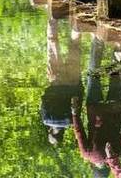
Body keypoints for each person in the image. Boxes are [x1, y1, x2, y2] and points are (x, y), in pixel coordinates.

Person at [72, 35, 121, 177]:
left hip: (115, 112)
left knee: (116, 78)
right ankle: (98, 40)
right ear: (94, 168)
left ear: (108, 168)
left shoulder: (119, 153)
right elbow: (79, 131)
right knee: (93, 76)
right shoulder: (88, 155)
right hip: (95, 111)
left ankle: (119, 44)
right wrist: (75, 113)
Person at [41, 18, 84, 147]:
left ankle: (76, 24)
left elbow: (78, 101)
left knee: (74, 47)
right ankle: (53, 19)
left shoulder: (70, 121)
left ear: (62, 133)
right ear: (50, 131)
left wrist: (78, 84)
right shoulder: (46, 119)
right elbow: (44, 98)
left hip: (72, 82)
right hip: (56, 82)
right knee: (52, 45)